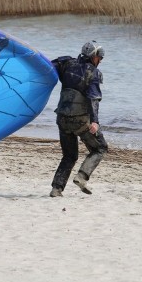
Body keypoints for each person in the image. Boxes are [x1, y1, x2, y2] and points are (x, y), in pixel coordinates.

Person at [49, 41, 108, 197]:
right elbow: (93, 99)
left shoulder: (66, 63)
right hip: (81, 121)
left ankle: (56, 189)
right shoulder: (93, 73)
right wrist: (95, 121)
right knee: (100, 148)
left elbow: (47, 67)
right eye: (99, 57)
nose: (100, 60)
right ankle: (81, 177)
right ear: (93, 56)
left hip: (62, 118)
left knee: (69, 155)